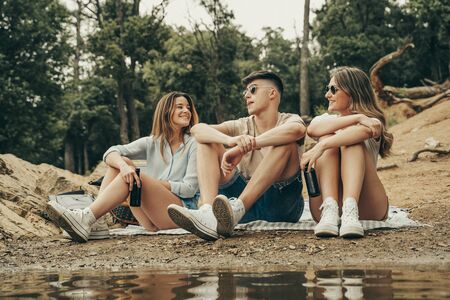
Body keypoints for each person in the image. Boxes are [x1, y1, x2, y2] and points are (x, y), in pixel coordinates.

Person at [167, 70, 307, 241]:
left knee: (288, 143)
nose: (247, 95)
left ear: (272, 93)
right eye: (245, 91)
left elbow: (297, 130)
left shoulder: (289, 119)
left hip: (280, 205)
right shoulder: (241, 125)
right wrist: (231, 140)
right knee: (206, 140)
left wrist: (247, 147)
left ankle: (237, 209)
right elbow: (197, 130)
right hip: (240, 206)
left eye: (253, 89)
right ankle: (207, 213)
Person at [47, 91, 200, 242]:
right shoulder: (152, 142)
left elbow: (189, 189)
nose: (186, 111)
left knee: (135, 176)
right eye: (180, 107)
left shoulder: (194, 143)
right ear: (166, 112)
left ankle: (86, 217)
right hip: (150, 219)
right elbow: (111, 152)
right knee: (123, 163)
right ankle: (96, 222)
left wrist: (150, 183)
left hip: (179, 213)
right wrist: (124, 166)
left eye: (188, 107)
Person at [300, 66, 393, 238]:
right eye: (327, 89)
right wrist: (357, 118)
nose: (327, 95)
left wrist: (322, 146)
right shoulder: (327, 120)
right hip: (324, 210)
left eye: (333, 89)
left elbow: (364, 132)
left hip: (368, 207)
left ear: (352, 92)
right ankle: (330, 207)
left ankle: (350, 208)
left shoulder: (372, 121)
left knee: (350, 142)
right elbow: (312, 129)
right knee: (328, 137)